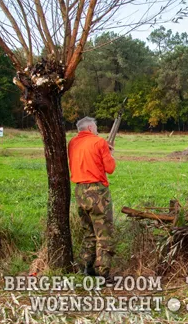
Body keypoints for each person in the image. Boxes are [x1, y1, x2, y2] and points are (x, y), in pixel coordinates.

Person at [68, 116, 116, 280]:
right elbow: (110, 168)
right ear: (89, 128)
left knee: (88, 232)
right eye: (95, 128)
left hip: (80, 191)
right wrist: (109, 153)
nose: (97, 131)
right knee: (104, 233)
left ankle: (85, 269)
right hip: (97, 192)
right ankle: (103, 274)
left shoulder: (72, 143)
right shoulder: (99, 142)